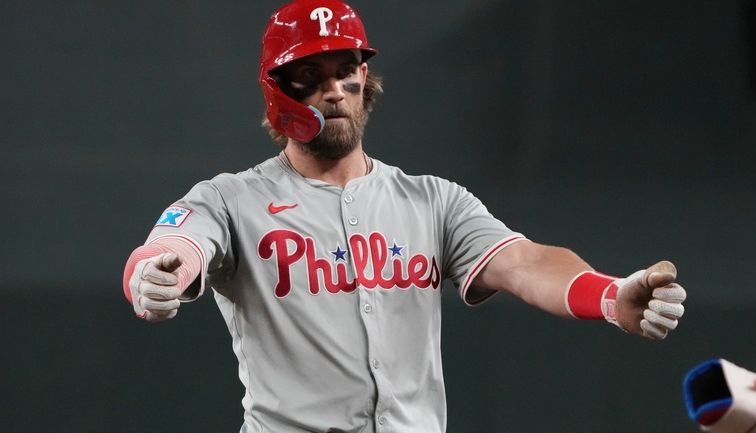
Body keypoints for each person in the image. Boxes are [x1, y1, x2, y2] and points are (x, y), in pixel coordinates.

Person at [122, 1, 688, 432]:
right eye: (312, 76)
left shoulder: (432, 200)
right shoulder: (231, 199)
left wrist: (610, 296)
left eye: (347, 70)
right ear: (278, 90)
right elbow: (174, 245)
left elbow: (527, 262)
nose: (335, 91)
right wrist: (155, 271)